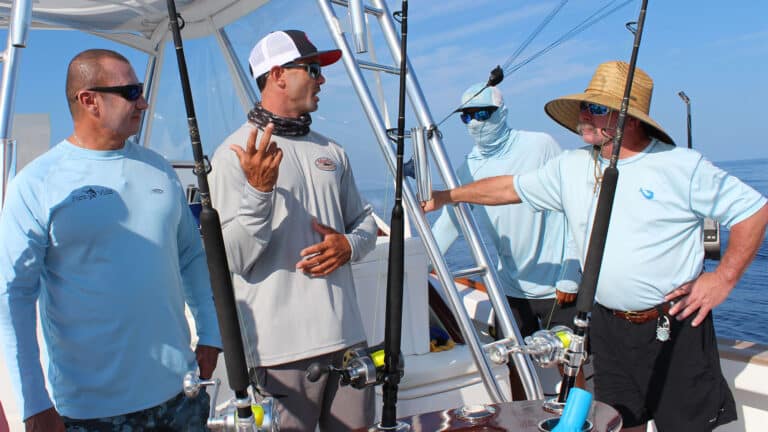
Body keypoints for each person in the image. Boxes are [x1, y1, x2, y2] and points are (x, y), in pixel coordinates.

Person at [422, 61, 768, 431]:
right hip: (608, 326)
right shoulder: (569, 166)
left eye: (597, 109)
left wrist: (723, 279)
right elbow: (509, 188)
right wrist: (448, 195)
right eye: (585, 107)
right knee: (619, 422)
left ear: (630, 119)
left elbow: (754, 210)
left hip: (674, 325)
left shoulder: (681, 165)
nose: (585, 115)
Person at [0, 49, 222, 432]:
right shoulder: (36, 184)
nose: (144, 101)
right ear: (90, 101)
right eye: (132, 91)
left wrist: (211, 332)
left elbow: (189, 256)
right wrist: (34, 402)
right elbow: (13, 296)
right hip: (92, 412)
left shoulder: (158, 168)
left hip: (181, 396)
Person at [208, 30, 377, 431]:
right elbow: (235, 257)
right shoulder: (233, 156)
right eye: (314, 69)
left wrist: (350, 246)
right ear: (279, 74)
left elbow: (366, 222)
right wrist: (258, 192)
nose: (322, 80)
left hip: (348, 343)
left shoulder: (332, 152)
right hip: (279, 357)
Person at [432, 83, 582, 395]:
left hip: (558, 285)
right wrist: (415, 260)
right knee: (514, 362)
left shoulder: (541, 145)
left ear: (502, 113)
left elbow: (576, 207)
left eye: (482, 114)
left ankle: (581, 424)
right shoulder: (468, 168)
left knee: (570, 363)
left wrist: (572, 271)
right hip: (511, 287)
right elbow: (449, 224)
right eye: (467, 117)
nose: (475, 123)